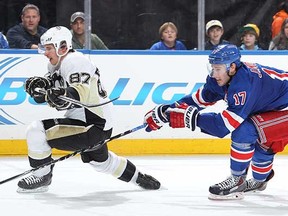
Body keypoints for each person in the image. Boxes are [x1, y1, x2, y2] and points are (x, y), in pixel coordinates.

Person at [17, 26, 160, 193]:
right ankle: (139, 178)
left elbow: (79, 92)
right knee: (102, 162)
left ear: (62, 47)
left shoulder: (74, 61)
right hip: (93, 126)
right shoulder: (56, 66)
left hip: (91, 125)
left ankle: (42, 176)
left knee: (36, 131)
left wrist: (59, 94)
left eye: (48, 48)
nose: (45, 53)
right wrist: (40, 91)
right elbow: (54, 95)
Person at [143, 44, 288, 199]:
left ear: (232, 67)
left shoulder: (244, 84)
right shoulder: (220, 79)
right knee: (263, 146)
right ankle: (260, 181)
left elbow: (224, 126)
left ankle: (237, 180)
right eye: (212, 67)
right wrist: (168, 111)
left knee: (246, 130)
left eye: (218, 69)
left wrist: (192, 118)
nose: (213, 74)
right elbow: (199, 99)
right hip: (276, 107)